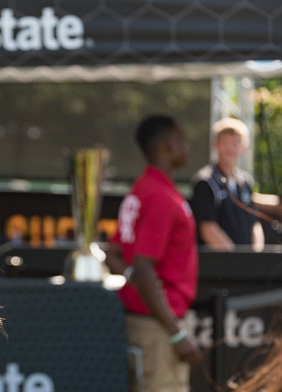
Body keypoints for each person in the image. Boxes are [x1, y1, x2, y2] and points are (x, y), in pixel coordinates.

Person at [105, 115, 201, 392]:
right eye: (180, 139)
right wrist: (176, 333)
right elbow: (143, 267)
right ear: (164, 146)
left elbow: (113, 255)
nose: (186, 145)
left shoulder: (142, 188)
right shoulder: (160, 196)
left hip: (144, 321)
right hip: (158, 328)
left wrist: (135, 280)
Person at [190, 117, 264, 251]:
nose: (230, 148)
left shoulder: (245, 181)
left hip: (248, 267)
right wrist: (238, 261)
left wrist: (256, 258)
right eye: (225, 142)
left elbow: (255, 224)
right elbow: (208, 229)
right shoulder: (205, 182)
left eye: (235, 143)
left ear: (243, 147)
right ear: (215, 144)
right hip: (220, 267)